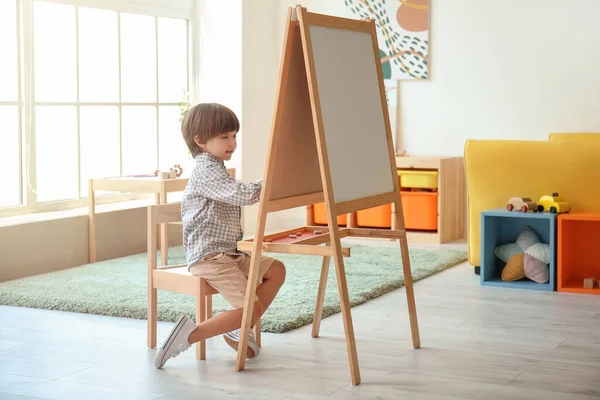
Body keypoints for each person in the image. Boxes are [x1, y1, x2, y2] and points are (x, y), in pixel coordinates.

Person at [155, 103, 286, 369]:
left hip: (228, 253)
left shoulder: (215, 167)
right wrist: (274, 177)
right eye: (224, 137)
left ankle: (237, 326)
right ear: (201, 141)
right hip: (210, 256)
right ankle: (190, 335)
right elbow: (245, 194)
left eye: (234, 135)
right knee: (252, 309)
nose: (232, 143)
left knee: (277, 270)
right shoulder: (206, 170)